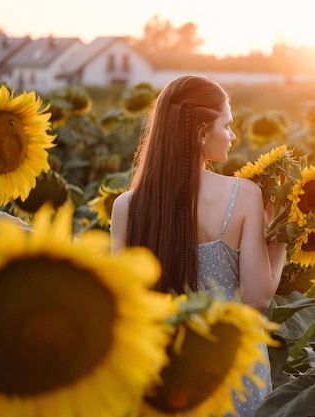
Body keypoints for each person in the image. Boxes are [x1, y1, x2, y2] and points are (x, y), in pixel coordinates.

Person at [110, 75, 287, 416]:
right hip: (229, 367)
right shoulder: (244, 194)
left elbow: (125, 305)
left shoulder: (126, 207)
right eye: (228, 125)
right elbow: (256, 299)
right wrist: (278, 239)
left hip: (161, 374)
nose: (233, 135)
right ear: (202, 131)